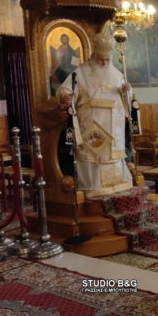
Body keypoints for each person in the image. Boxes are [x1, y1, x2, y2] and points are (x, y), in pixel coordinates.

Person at [57, 32, 133, 198]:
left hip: (114, 131)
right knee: (94, 157)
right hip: (92, 127)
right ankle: (93, 189)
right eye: (100, 60)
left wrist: (126, 91)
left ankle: (118, 185)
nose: (104, 63)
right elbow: (65, 89)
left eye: (107, 59)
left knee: (113, 157)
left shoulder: (118, 75)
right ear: (93, 56)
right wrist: (65, 96)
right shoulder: (80, 73)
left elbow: (127, 100)